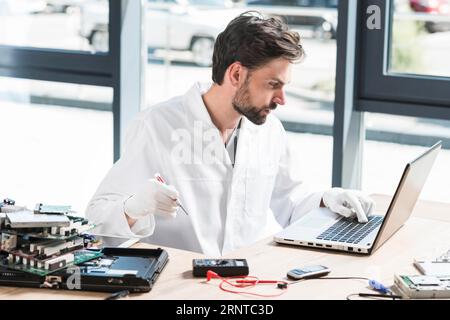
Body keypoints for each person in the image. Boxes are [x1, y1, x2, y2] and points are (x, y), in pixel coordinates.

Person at [86, 12, 374, 256]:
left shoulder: (269, 129)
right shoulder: (157, 125)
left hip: (246, 283)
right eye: (273, 84)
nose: (282, 99)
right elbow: (96, 222)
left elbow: (291, 203)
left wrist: (329, 199)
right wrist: (133, 208)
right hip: (179, 288)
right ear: (236, 75)